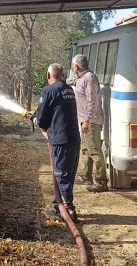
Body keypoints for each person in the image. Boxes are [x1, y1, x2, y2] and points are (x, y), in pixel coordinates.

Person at [36, 63, 81, 221]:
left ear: (49, 76)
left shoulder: (48, 90)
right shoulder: (69, 90)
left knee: (61, 173)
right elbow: (57, 110)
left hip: (60, 139)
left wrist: (36, 120)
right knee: (68, 172)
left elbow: (42, 119)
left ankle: (69, 208)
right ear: (62, 75)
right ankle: (59, 202)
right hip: (74, 137)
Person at [72, 54, 108, 192]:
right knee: (86, 150)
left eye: (73, 65)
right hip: (84, 121)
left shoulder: (89, 78)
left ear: (76, 66)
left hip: (90, 121)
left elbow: (92, 101)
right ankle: (86, 176)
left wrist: (87, 120)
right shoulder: (81, 78)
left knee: (95, 151)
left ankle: (101, 181)